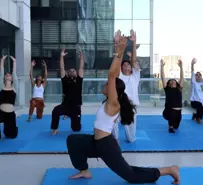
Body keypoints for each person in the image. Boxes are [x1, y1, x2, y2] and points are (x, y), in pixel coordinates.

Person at [66, 30, 180, 184]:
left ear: (113, 90)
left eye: (108, 85)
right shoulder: (111, 102)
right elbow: (114, 76)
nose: (105, 85)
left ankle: (168, 170)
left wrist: (119, 50)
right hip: (97, 142)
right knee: (73, 141)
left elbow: (112, 75)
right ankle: (85, 170)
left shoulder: (113, 103)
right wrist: (117, 48)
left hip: (105, 145)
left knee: (131, 175)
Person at [112, 29, 139, 143]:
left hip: (132, 106)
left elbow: (133, 61)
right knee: (113, 119)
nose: (127, 66)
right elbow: (116, 60)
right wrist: (117, 45)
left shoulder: (135, 76)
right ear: (122, 68)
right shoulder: (120, 76)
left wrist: (134, 42)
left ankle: (130, 136)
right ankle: (115, 139)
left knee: (131, 138)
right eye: (124, 65)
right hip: (120, 103)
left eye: (128, 64)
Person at [50, 48, 84, 135]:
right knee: (55, 111)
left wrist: (81, 57)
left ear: (76, 73)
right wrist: (61, 57)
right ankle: (55, 128)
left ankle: (76, 122)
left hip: (76, 108)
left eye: (74, 70)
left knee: (76, 129)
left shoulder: (79, 80)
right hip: (65, 106)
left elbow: (81, 67)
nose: (72, 71)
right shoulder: (65, 80)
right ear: (68, 73)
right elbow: (62, 68)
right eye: (70, 70)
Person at [0, 55, 18, 143]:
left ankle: (8, 132)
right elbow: (1, 73)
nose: (8, 75)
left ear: (12, 79)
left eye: (9, 75)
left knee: (11, 135)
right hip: (1, 112)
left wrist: (14, 62)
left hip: (10, 113)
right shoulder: (1, 87)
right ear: (5, 78)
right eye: (7, 75)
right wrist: (2, 61)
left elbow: (15, 74)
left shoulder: (14, 87)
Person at [160, 58, 184, 133]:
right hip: (168, 111)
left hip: (178, 112)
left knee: (176, 127)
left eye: (174, 80)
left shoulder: (179, 88)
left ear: (176, 83)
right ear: (169, 83)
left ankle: (172, 125)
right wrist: (162, 67)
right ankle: (170, 126)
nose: (173, 81)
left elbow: (182, 77)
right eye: (171, 81)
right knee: (172, 127)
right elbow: (163, 78)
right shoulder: (167, 89)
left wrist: (181, 67)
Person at [190, 58, 203, 124]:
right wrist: (192, 64)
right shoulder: (194, 83)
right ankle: (198, 119)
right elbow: (192, 72)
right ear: (194, 77)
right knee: (200, 105)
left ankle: (195, 115)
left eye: (200, 75)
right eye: (196, 75)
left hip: (202, 103)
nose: (198, 76)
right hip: (194, 102)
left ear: (201, 77)